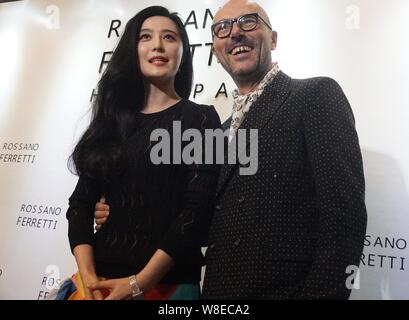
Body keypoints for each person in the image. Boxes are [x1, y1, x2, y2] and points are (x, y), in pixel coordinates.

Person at [95, 0, 367, 300]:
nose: (235, 33)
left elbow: (344, 216)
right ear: (215, 51)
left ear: (273, 38)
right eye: (222, 28)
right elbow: (196, 221)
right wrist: (120, 209)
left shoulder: (314, 95)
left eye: (248, 22)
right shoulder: (218, 131)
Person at [65, 6, 221, 300]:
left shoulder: (202, 119)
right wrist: (89, 280)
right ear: (132, 49)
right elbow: (80, 205)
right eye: (145, 37)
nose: (158, 45)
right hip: (98, 285)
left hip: (167, 288)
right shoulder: (112, 121)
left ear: (184, 53)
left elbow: (196, 211)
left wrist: (138, 283)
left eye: (170, 37)